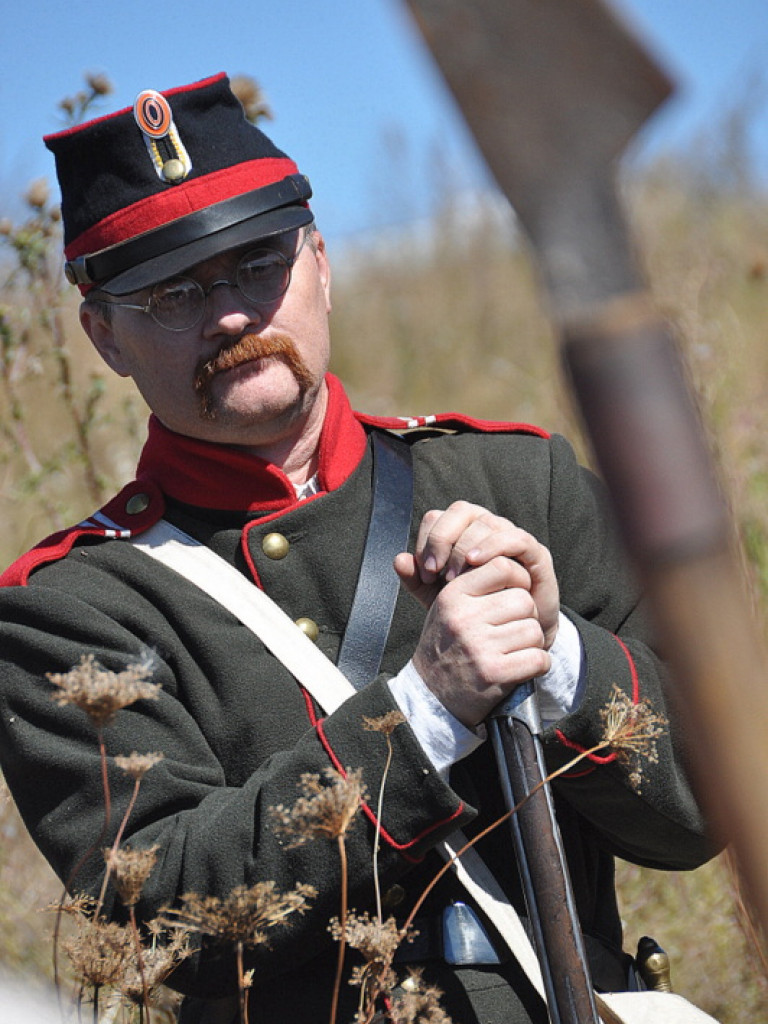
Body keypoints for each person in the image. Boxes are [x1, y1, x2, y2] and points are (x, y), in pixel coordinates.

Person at [0, 73, 713, 1024]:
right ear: (103, 337)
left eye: (259, 262)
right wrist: (422, 712)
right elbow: (162, 923)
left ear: (321, 264)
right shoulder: (72, 606)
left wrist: (561, 660)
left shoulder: (520, 483)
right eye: (173, 293)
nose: (231, 315)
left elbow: (705, 808)